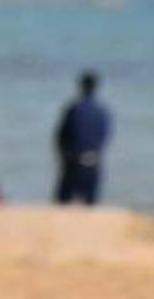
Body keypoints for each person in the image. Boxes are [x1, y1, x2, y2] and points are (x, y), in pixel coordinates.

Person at [54, 71, 112, 206]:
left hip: (73, 162)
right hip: (93, 161)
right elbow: (105, 137)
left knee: (62, 204)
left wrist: (63, 157)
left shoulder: (73, 109)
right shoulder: (102, 112)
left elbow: (60, 136)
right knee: (90, 206)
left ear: (81, 86)